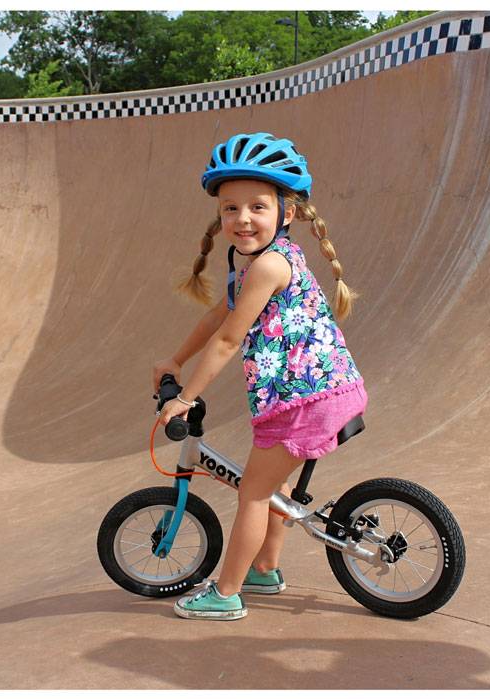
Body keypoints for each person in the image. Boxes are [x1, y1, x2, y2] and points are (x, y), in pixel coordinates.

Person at [155, 132, 366, 620]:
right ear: (219, 216)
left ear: (286, 213)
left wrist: (184, 397)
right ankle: (264, 568)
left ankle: (225, 594)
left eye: (257, 206)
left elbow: (229, 340)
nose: (243, 219)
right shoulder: (255, 263)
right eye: (231, 209)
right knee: (276, 488)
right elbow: (217, 315)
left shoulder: (269, 265)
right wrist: (175, 359)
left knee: (252, 493)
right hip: (320, 394)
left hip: (304, 401)